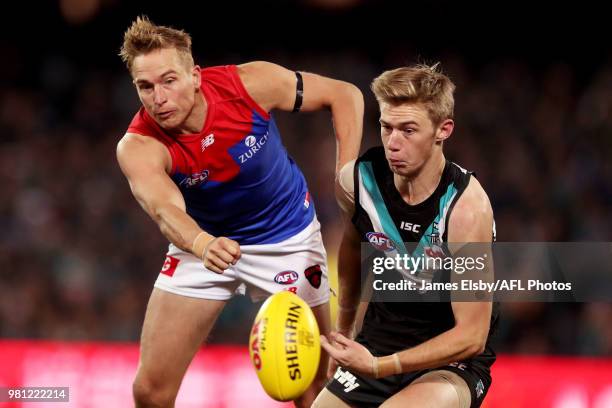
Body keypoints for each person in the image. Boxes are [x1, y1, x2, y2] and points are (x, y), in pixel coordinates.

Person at [115, 16, 363, 408]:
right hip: (204, 245)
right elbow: (165, 211)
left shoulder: (248, 84)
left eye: (169, 81)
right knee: (149, 391)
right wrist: (201, 242)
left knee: (313, 389)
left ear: (195, 76)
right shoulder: (139, 145)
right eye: (145, 87)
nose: (157, 98)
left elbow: (345, 95)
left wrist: (346, 175)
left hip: (288, 239)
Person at [312, 64, 498, 408]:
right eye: (386, 127)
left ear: (444, 130)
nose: (393, 143)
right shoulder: (357, 183)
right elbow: (352, 249)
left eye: (408, 130)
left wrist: (381, 367)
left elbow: (472, 336)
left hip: (450, 362)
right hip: (379, 343)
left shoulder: (466, 208)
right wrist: (345, 331)